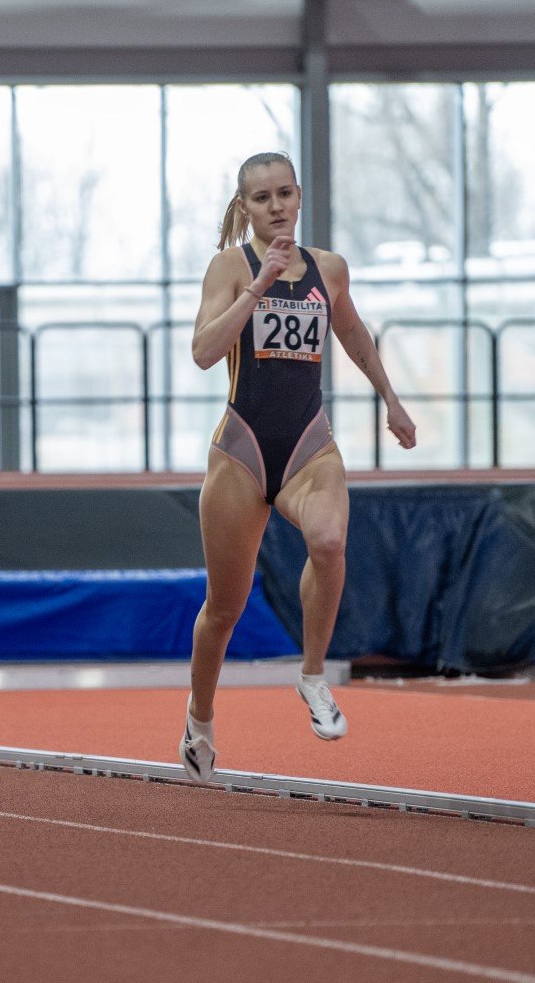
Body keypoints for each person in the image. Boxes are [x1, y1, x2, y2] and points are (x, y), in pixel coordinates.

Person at [179, 152, 416, 782]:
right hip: (241, 450)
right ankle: (199, 719)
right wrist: (259, 286)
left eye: (285, 193)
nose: (276, 206)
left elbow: (354, 333)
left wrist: (391, 400)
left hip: (309, 442)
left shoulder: (329, 269)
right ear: (245, 207)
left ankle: (312, 676)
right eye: (262, 198)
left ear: (300, 195)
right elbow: (204, 352)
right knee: (223, 608)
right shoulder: (230, 267)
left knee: (331, 539)